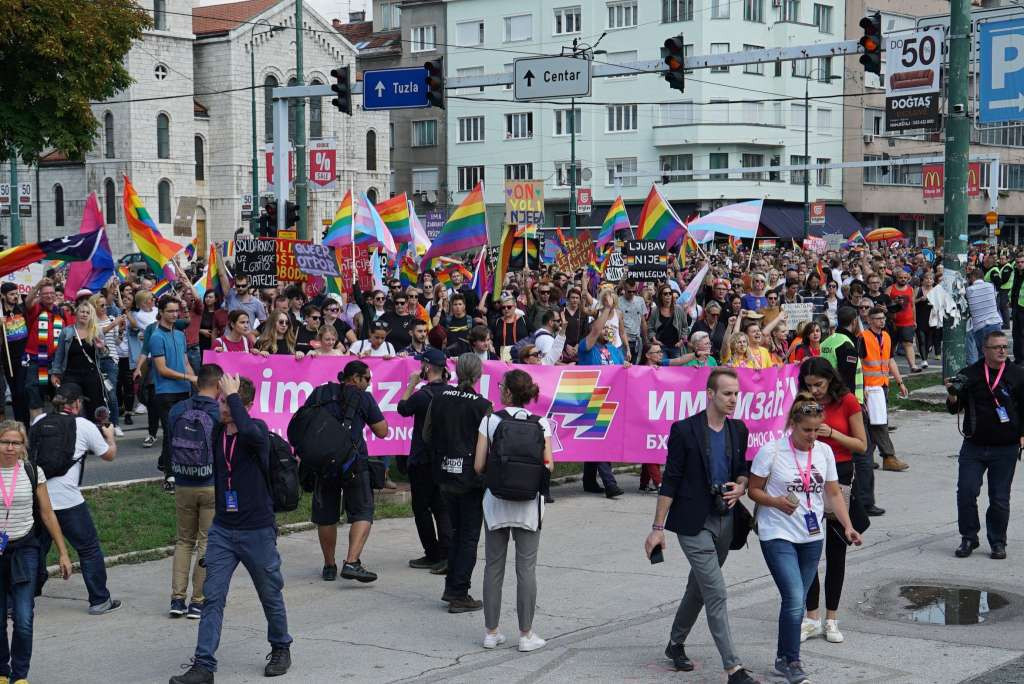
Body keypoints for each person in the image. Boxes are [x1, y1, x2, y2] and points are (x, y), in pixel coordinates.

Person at [169, 373, 292, 684]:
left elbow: (248, 431)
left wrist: (234, 396)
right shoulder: (218, 432)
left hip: (257, 530)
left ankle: (281, 647)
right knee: (212, 597)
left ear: (244, 405)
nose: (221, 406)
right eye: (221, 400)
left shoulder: (258, 431)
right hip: (223, 530)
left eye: (226, 401)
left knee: (269, 593)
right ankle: (203, 666)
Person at [642, 367, 756, 684]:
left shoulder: (738, 429)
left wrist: (741, 486)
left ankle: (675, 643)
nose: (733, 399)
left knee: (700, 587)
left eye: (736, 394)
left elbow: (742, 469)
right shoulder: (685, 430)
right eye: (727, 393)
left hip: (726, 520)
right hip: (693, 524)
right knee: (716, 591)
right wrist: (657, 528)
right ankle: (733, 668)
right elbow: (670, 481)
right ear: (710, 394)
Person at [748, 394, 863, 684]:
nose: (812, 436)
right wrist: (775, 502)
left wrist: (848, 526)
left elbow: (833, 492)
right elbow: (754, 490)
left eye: (816, 429)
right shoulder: (772, 451)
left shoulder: (824, 452)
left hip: (811, 535)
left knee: (796, 600)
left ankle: (781, 658)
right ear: (793, 425)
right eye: (806, 430)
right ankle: (792, 661)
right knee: (794, 597)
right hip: (777, 533)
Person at [473, 369, 553, 653]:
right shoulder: (541, 423)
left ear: (507, 392)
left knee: (493, 566)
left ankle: (491, 632)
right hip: (529, 504)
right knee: (526, 569)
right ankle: (526, 634)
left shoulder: (490, 420)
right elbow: (549, 464)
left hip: (496, 501)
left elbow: (478, 465)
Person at [33, 382, 121, 615]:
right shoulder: (83, 425)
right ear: (77, 404)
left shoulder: (38, 421)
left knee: (34, 550)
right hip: (67, 500)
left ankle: (21, 599)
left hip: (39, 498)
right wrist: (110, 437)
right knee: (89, 548)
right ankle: (99, 600)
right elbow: (109, 455)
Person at [797, 358, 867, 645]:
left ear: (830, 380)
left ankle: (832, 618)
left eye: (819, 384)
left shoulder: (847, 401)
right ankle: (811, 617)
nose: (814, 390)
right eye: (809, 385)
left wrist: (833, 433)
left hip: (840, 474)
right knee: (808, 548)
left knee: (837, 550)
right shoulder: (803, 401)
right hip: (808, 474)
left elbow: (861, 444)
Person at [0, 420, 73, 683]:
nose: (10, 447)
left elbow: (47, 513)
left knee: (23, 617)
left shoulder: (32, 471)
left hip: (25, 549)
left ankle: (20, 675)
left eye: (15, 443)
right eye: (4, 442)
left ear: (23, 446)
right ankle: (2, 671)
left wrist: (63, 552)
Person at [946, 329, 1024, 560]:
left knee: (999, 498)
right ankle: (969, 537)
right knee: (966, 492)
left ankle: (998, 541)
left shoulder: (1017, 374)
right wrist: (952, 395)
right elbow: (954, 408)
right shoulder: (969, 374)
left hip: (1006, 446)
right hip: (974, 445)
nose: (1002, 351)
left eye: (1005, 347)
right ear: (984, 350)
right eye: (997, 347)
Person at [425, 353, 492, 613]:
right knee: (468, 537)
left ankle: (452, 587)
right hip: (470, 478)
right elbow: (487, 445)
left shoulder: (440, 398)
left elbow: (427, 434)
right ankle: (458, 592)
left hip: (443, 474)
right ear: (478, 375)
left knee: (455, 533)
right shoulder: (482, 405)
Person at [309, 361, 387, 584]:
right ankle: (352, 562)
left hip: (324, 463)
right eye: (367, 379)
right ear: (355, 378)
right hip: (354, 463)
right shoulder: (364, 398)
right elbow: (382, 431)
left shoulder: (320, 393)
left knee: (326, 516)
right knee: (363, 511)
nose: (369, 383)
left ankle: (329, 566)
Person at [166, 364, 223, 620]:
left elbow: (169, 445)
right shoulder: (219, 412)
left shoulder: (177, 409)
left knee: (183, 541)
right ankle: (198, 601)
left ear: (197, 382)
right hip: (210, 483)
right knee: (205, 542)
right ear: (218, 385)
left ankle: (177, 599)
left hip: (183, 482)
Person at [397, 348, 453, 574]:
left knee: (421, 508)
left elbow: (402, 409)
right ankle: (446, 554)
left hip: (422, 459)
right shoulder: (452, 393)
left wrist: (411, 384)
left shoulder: (421, 395)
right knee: (442, 506)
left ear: (427, 367)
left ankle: (433, 553)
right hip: (444, 458)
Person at [150, 297, 197, 493]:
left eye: (176, 311)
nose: (174, 314)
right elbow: (162, 369)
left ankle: (164, 461)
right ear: (161, 312)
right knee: (172, 433)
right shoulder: (156, 337)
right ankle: (170, 475)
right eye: (170, 311)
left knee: (181, 432)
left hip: (183, 390)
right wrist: (188, 377)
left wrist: (194, 380)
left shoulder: (180, 334)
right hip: (166, 392)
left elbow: (185, 362)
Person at [577, 305, 625, 499]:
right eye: (603, 327)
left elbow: (622, 371)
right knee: (600, 440)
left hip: (611, 400)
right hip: (591, 398)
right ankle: (610, 484)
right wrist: (607, 307)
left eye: (608, 327)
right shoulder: (586, 347)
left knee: (596, 440)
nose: (607, 330)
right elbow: (596, 330)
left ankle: (589, 480)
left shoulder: (614, 350)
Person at [861, 307, 909, 473]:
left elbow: (890, 360)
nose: (882, 321)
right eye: (878, 318)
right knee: (879, 423)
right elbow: (859, 364)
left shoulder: (887, 337)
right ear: (869, 320)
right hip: (870, 387)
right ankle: (888, 456)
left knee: (874, 422)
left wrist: (900, 382)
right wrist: (862, 387)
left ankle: (866, 458)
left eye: (883, 318)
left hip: (882, 385)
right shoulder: (863, 337)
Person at [50, 300, 108, 419]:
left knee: (94, 406)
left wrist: (101, 348)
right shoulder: (66, 331)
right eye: (82, 311)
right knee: (68, 403)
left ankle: (94, 428)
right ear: (76, 313)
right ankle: (70, 427)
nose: (84, 314)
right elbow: (59, 354)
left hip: (91, 374)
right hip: (71, 374)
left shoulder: (96, 331)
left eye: (87, 312)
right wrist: (55, 373)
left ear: (91, 316)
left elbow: (105, 354)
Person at [23, 278, 65, 419]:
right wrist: (37, 285)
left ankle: (58, 426)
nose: (49, 296)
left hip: (56, 363)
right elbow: (28, 302)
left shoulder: (62, 312)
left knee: (58, 397)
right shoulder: (35, 309)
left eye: (52, 293)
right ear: (40, 296)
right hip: (36, 361)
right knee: (35, 397)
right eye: (45, 293)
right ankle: (36, 427)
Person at [0, 283, 29, 426]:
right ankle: (19, 424)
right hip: (8, 359)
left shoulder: (21, 308)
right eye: (11, 294)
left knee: (21, 391)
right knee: (15, 393)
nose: (15, 296)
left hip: (23, 357)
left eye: (16, 294)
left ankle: (26, 423)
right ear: (3, 296)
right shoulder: (0, 313)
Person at [965, 269, 1005, 365]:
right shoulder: (991, 286)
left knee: (983, 354)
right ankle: (997, 371)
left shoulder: (969, 290)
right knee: (997, 352)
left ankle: (985, 372)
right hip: (994, 323)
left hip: (979, 326)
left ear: (973, 277)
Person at [887, 269, 920, 372]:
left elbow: (913, 306)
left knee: (908, 344)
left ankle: (913, 366)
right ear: (896, 278)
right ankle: (887, 367)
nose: (903, 279)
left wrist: (914, 320)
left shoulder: (910, 289)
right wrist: (894, 301)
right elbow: (885, 303)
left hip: (907, 322)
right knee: (891, 345)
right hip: (893, 322)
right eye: (901, 277)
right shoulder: (890, 289)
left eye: (905, 278)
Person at [648, 285, 687, 360]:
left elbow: (685, 327)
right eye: (665, 294)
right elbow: (650, 328)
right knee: (663, 366)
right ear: (661, 296)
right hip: (661, 346)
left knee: (676, 367)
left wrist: (682, 340)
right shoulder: (655, 310)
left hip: (676, 346)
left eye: (670, 293)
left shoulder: (678, 309)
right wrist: (654, 340)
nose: (668, 295)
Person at [618, 278, 648, 362]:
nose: (631, 293)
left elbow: (643, 322)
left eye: (634, 291)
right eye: (629, 291)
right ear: (624, 289)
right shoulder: (618, 301)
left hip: (637, 340)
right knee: (624, 365)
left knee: (635, 365)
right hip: (623, 341)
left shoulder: (640, 300)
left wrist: (645, 339)